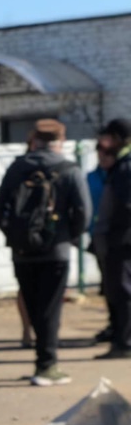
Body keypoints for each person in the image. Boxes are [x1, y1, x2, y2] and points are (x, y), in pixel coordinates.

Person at [0, 120, 90, 385]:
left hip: (22, 250)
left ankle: (42, 362)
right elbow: (83, 211)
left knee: (34, 305)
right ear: (60, 140)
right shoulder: (69, 169)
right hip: (56, 250)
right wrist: (68, 237)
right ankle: (47, 366)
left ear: (34, 139)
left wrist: (14, 235)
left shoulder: (17, 167)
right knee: (51, 307)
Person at [91, 119, 130, 351]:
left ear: (116, 138)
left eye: (105, 137)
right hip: (120, 238)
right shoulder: (122, 164)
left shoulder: (126, 166)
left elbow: (126, 205)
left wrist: (115, 234)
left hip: (123, 240)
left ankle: (125, 342)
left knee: (123, 290)